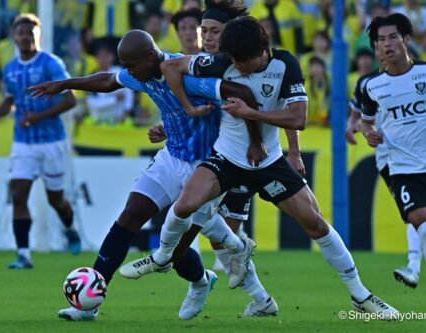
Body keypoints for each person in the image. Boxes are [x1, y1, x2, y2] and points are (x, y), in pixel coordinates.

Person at [123, 16, 400, 319]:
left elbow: (298, 118)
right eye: (234, 61)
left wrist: (252, 114)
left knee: (315, 224)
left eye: (244, 62)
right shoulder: (222, 60)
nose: (238, 67)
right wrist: (186, 110)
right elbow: (170, 67)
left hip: (268, 160)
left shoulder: (285, 65)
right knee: (186, 203)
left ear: (263, 50)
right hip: (227, 157)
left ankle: (360, 294)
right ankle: (162, 257)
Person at [29, 29, 263, 321]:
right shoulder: (142, 72)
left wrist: (254, 141)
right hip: (171, 157)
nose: (128, 72)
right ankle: (90, 304)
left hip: (207, 168)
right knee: (130, 215)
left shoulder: (188, 75)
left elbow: (237, 95)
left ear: (151, 56)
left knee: (176, 250)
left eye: (131, 66)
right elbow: (108, 81)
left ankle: (202, 281)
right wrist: (66, 83)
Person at [147, 0, 283, 317]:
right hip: (209, 164)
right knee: (219, 240)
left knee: (212, 238)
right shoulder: (193, 66)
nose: (202, 36)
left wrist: (286, 146)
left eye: (212, 31)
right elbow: (197, 113)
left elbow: (268, 103)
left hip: (234, 161)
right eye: (198, 30)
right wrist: (169, 125)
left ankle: (206, 284)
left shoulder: (238, 64)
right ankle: (259, 298)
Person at [0, 14, 81, 269]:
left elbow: (70, 100)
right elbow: (8, 102)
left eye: (30, 32)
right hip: (23, 142)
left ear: (39, 35)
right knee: (18, 193)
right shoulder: (10, 68)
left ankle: (69, 227)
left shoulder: (51, 64)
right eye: (21, 33)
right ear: (14, 37)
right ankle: (23, 254)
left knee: (55, 200)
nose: (25, 36)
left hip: (51, 141)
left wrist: (38, 116)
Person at [360, 13, 426, 287]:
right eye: (381, 40)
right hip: (404, 171)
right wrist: (368, 133)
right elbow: (365, 121)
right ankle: (414, 265)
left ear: (407, 39)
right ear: (376, 47)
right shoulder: (371, 87)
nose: (387, 45)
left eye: (393, 37)